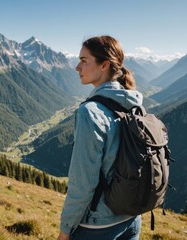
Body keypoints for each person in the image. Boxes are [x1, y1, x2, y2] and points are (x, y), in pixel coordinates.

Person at [57, 35, 143, 240]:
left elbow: (83, 183)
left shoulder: (90, 112)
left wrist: (65, 230)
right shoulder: (134, 102)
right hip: (131, 218)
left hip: (98, 226)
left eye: (84, 61)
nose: (77, 67)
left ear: (104, 65)